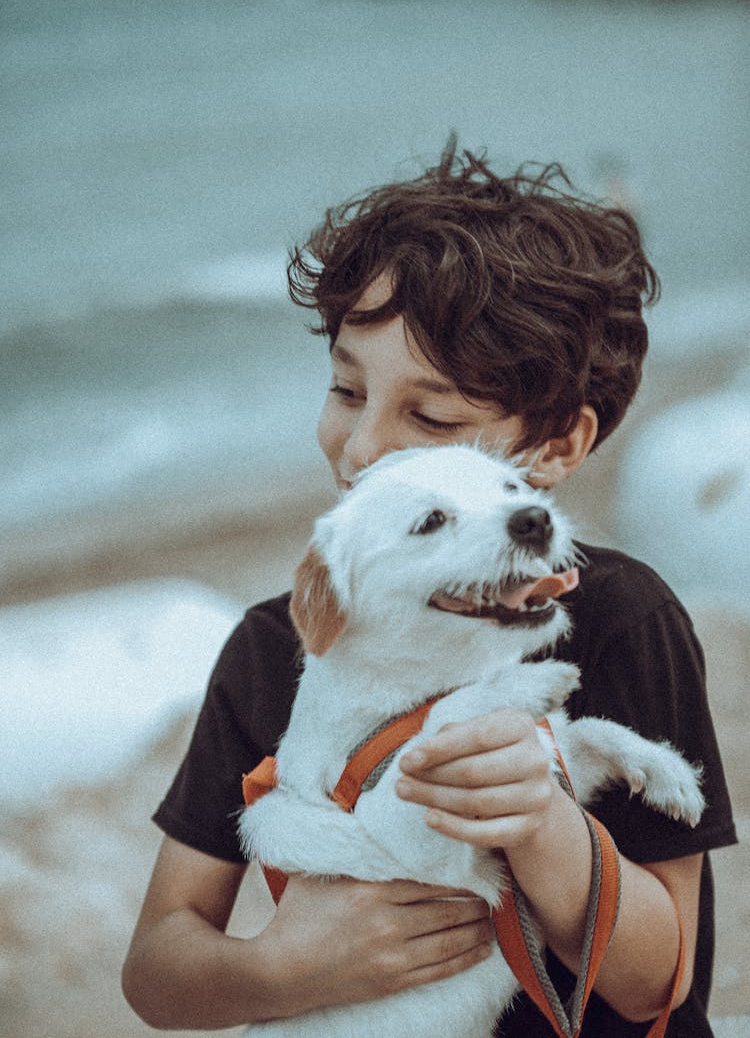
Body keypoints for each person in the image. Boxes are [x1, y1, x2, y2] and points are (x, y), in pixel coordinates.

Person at [122, 143, 736, 1035]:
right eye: (345, 387)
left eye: (432, 418)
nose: (363, 446)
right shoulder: (273, 644)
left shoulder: (617, 619)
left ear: (555, 448)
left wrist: (543, 827)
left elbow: (659, 986)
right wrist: (280, 969)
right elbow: (156, 968)